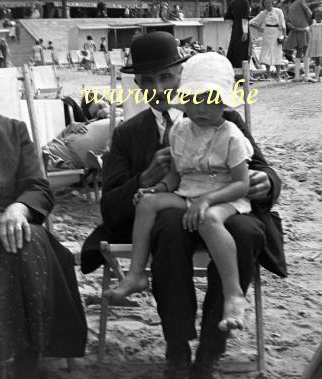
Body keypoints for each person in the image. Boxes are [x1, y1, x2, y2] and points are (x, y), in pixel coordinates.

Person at [81, 31, 286, 379]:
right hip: (169, 226)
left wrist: (266, 182)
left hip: (222, 215)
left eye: (166, 77)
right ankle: (178, 356)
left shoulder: (225, 116)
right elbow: (110, 207)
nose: (158, 89)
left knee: (243, 231)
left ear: (182, 73)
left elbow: (259, 169)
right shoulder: (128, 134)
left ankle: (207, 360)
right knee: (171, 223)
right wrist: (144, 179)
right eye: (147, 81)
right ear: (138, 86)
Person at [0, 35, 87, 379]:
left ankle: (25, 373)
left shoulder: (13, 131)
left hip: (10, 226)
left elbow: (37, 186)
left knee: (28, 245)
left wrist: (19, 208)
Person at [105, 53, 254, 334]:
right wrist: (156, 188)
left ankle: (233, 294)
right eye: (194, 100)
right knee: (148, 204)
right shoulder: (178, 131)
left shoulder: (231, 132)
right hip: (187, 193)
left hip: (224, 195)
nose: (201, 108)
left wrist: (207, 200)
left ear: (222, 102)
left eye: (210, 100)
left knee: (209, 219)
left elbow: (242, 184)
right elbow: (176, 174)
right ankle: (135, 275)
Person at [249, 0, 286, 81]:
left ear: (272, 3)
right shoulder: (263, 13)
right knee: (267, 54)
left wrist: (284, 35)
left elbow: (283, 23)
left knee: (277, 54)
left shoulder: (278, 11)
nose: (268, 4)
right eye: (266, 3)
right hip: (266, 33)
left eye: (269, 2)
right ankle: (268, 75)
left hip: (277, 32)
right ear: (264, 4)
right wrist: (258, 28)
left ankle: (278, 76)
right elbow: (251, 22)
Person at [285, 0, 312, 82]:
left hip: (295, 29)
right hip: (303, 29)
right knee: (305, 53)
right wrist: (309, 22)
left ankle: (297, 76)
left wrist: (293, 26)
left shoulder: (292, 4)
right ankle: (307, 75)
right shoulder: (301, 2)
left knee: (298, 52)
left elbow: (288, 19)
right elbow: (309, 14)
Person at [224, 0, 251, 68]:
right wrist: (245, 32)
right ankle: (243, 72)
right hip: (243, 28)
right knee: (244, 50)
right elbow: (245, 18)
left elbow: (227, 16)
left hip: (235, 27)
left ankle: (233, 67)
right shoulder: (245, 2)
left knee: (234, 48)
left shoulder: (233, 1)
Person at [307, 7, 322, 83]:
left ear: (321, 15)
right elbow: (309, 34)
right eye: (316, 13)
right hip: (314, 43)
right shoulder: (311, 24)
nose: (317, 15)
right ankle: (317, 77)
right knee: (317, 60)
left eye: (319, 14)